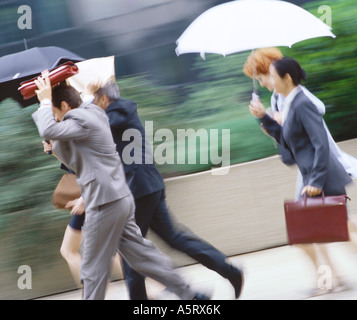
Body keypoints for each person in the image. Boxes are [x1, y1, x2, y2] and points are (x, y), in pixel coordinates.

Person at [59, 79, 243, 300]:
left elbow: (91, 131)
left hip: (138, 188)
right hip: (145, 186)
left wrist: (68, 119)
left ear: (105, 99)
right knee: (173, 238)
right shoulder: (113, 113)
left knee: (131, 256)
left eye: (95, 101)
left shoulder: (118, 111)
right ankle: (229, 271)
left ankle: (180, 296)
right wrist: (56, 146)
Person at [32, 76, 208, 300]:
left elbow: (48, 128)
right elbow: (79, 160)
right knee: (144, 257)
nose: (55, 119)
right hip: (119, 198)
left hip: (103, 202)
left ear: (65, 106)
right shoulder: (93, 113)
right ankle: (192, 295)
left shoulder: (82, 119)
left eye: (56, 113)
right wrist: (54, 148)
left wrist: (45, 101)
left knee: (93, 268)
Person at [249, 56, 357, 294]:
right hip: (313, 176)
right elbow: (291, 142)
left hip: (321, 177)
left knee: (326, 232)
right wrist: (265, 120)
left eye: (272, 76)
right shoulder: (289, 102)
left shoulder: (302, 103)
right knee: (327, 232)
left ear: (286, 78)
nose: (269, 82)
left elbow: (321, 145)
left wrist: (315, 182)